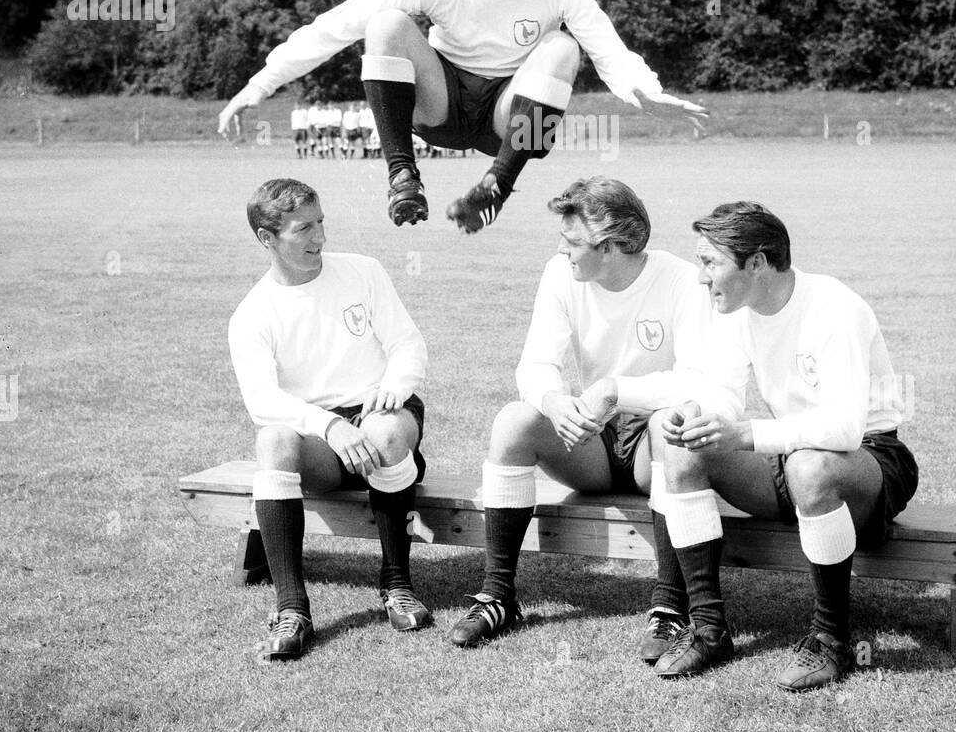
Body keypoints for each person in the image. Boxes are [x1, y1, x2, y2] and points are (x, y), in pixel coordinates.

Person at [217, 0, 706, 234]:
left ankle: (494, 188)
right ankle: (403, 177)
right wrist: (258, 85)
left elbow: (606, 46)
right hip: (440, 107)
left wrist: (647, 90)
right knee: (386, 24)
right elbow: (336, 25)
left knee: (562, 47)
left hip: (507, 122)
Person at [645, 202, 918, 690]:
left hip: (870, 462)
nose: (701, 277)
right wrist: (693, 414)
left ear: (757, 262)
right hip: (789, 456)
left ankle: (832, 640)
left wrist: (747, 434)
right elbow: (724, 397)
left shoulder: (836, 307)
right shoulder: (736, 312)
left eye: (711, 263)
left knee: (812, 468)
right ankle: (708, 629)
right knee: (685, 448)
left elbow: (845, 429)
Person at [449, 176, 711, 662]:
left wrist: (618, 392)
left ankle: (671, 608)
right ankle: (498, 596)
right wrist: (552, 401)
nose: (562, 250)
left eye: (573, 242)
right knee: (514, 420)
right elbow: (535, 364)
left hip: (656, 441)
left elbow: (700, 380)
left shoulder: (680, 281)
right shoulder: (559, 273)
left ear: (610, 247)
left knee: (671, 421)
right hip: (592, 436)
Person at [228, 178, 431, 661]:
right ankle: (292, 608)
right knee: (273, 441)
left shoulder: (363, 271)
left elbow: (408, 344)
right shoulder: (252, 314)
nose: (319, 238)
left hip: (382, 412)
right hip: (319, 438)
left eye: (321, 223)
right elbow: (261, 401)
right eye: (303, 229)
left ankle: (396, 584)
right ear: (267, 238)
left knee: (382, 432)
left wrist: (394, 389)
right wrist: (330, 426)